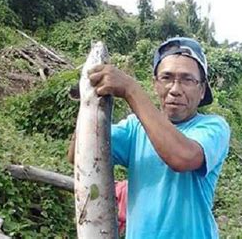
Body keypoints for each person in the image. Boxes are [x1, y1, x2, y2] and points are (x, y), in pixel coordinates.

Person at [68, 37, 230, 238]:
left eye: (187, 80)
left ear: (202, 89)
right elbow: (79, 154)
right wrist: (88, 100)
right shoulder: (134, 128)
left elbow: (182, 157)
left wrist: (131, 89)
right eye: (166, 78)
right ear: (155, 84)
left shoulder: (213, 127)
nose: (175, 89)